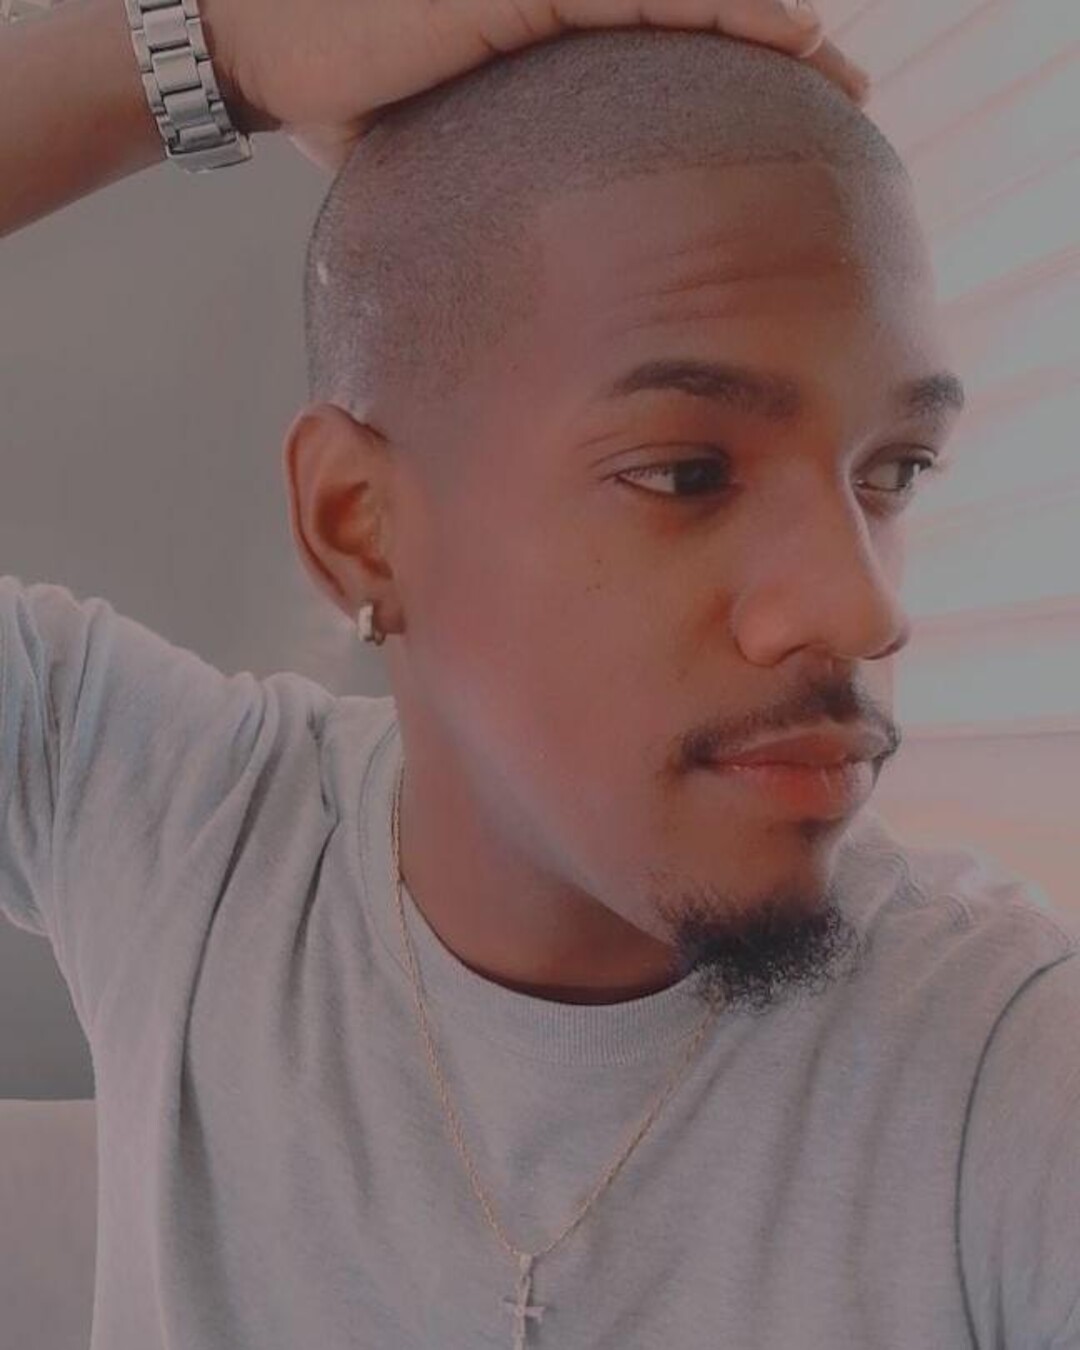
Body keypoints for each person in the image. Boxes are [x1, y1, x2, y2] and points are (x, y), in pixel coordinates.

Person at [1, 2, 1078, 1349]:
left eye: (893, 472)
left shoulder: (1008, 1067)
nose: (862, 609)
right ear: (361, 526)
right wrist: (213, 52)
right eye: (686, 473)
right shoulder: (178, 834)